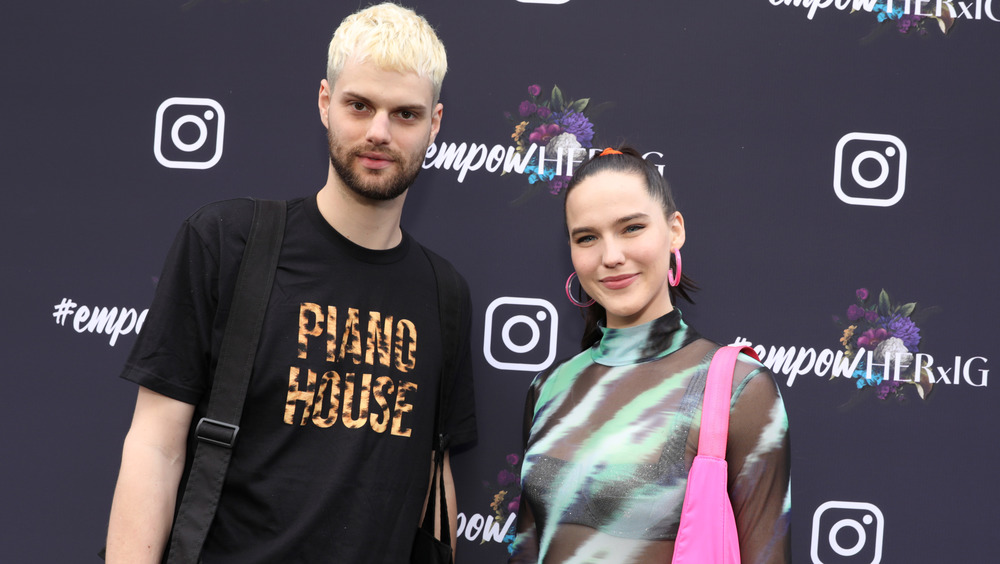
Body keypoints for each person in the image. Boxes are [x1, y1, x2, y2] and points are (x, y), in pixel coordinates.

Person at [105, 4, 476, 563]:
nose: (379, 131)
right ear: (326, 103)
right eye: (359, 105)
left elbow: (433, 478)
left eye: (405, 114)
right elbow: (155, 446)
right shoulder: (227, 242)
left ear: (435, 124)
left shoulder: (445, 293)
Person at [509, 147, 790, 563]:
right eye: (587, 237)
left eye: (631, 228)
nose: (611, 257)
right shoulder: (548, 388)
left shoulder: (739, 388)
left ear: (674, 230)